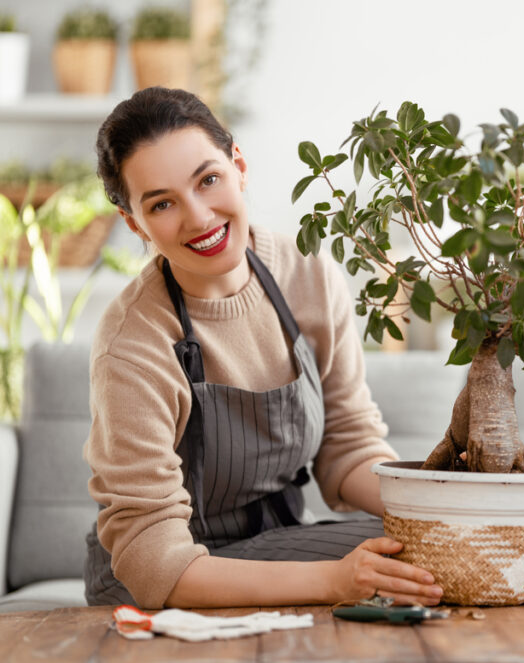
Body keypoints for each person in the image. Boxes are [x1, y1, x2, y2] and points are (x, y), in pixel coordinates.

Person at [84, 87, 443, 609]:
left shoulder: (307, 274)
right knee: (425, 558)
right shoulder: (133, 343)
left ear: (239, 165)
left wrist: (441, 506)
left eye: (208, 180)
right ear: (134, 222)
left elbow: (347, 444)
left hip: (277, 543)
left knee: (441, 543)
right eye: (162, 203)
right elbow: (154, 560)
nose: (199, 218)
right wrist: (336, 582)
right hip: (168, 579)